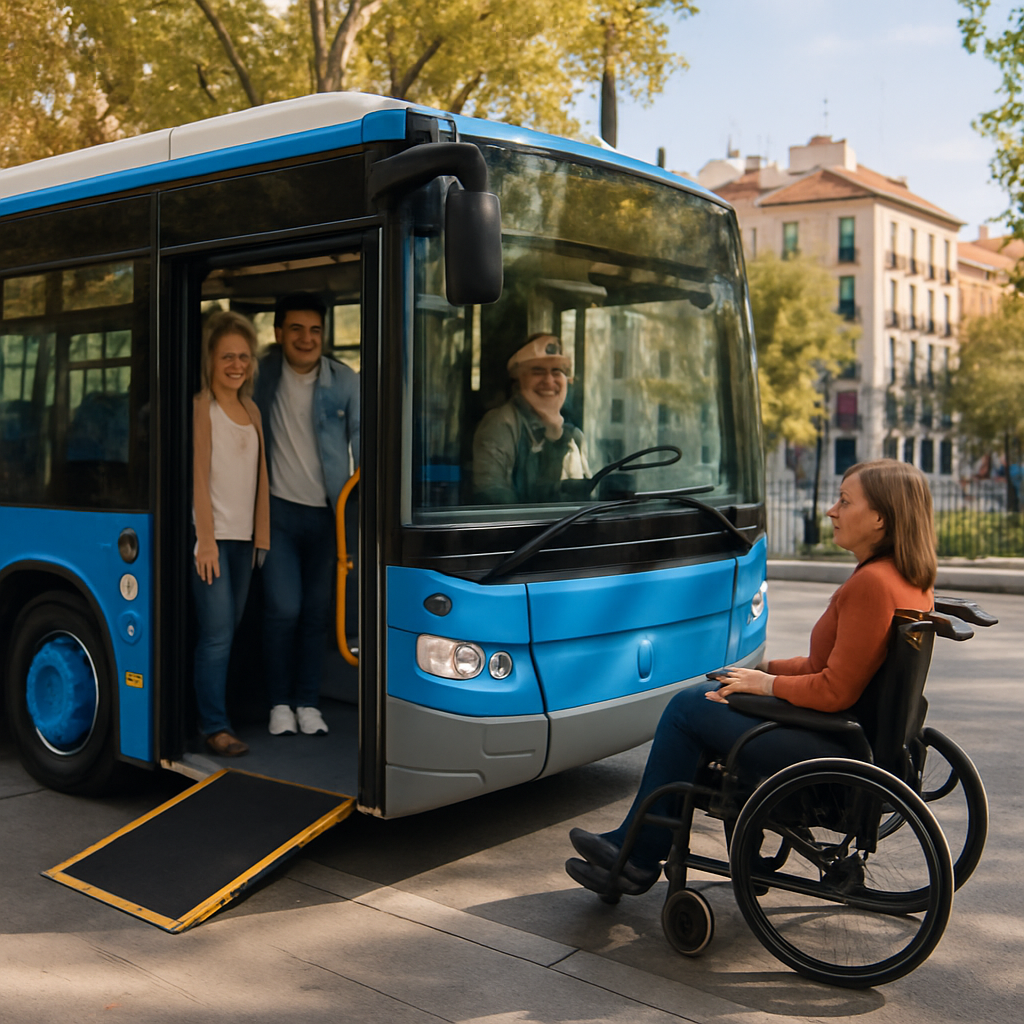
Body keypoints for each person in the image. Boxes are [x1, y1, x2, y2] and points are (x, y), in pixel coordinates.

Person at [565, 458, 937, 896]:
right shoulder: (907, 579)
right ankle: (649, 850)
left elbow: (835, 689)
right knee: (715, 694)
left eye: (844, 501)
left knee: (688, 707)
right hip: (857, 737)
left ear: (879, 518)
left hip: (833, 746)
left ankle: (638, 856)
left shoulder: (872, 584)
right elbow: (833, 665)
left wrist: (766, 686)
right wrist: (765, 670)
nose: (832, 511)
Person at [253, 293, 359, 737]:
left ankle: (308, 703)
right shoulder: (261, 375)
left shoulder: (345, 380)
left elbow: (365, 436)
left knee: (317, 612)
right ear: (279, 334)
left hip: (329, 517)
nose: (306, 338)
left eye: (315, 330)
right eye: (296, 329)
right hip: (275, 512)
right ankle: (279, 702)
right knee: (283, 609)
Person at [192, 310, 270, 758]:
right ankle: (213, 726)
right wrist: (205, 540)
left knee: (230, 631)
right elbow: (198, 479)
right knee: (217, 634)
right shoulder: (202, 408)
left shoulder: (252, 410)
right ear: (211, 360)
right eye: (227, 357)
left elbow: (260, 479)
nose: (236, 365)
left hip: (245, 543)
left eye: (243, 356)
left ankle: (212, 712)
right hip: (213, 542)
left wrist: (261, 537)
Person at [473, 333, 589, 503]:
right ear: (519, 381)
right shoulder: (501, 425)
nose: (549, 381)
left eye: (557, 371)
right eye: (537, 371)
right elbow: (493, 500)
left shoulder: (574, 438)